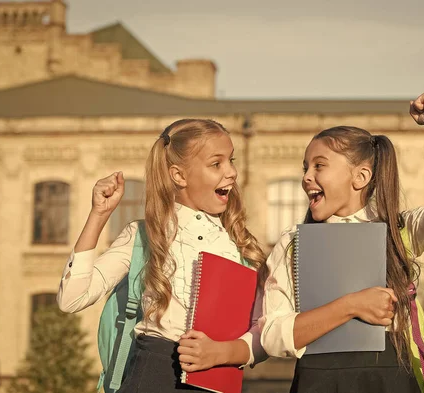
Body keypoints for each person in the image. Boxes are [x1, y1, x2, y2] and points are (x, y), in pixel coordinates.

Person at [260, 93, 424, 393]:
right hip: (318, 381)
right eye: (305, 167)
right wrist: (350, 306)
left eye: (319, 166)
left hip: (390, 378)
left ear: (361, 176)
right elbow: (271, 335)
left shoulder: (397, 233)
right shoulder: (292, 244)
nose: (306, 177)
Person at [57, 119, 268, 392]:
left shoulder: (240, 245)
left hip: (220, 378)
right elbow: (71, 299)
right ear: (179, 176)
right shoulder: (144, 236)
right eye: (217, 164)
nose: (231, 173)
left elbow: (265, 333)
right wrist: (99, 215)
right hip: (153, 376)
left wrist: (225, 352)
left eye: (231, 160)